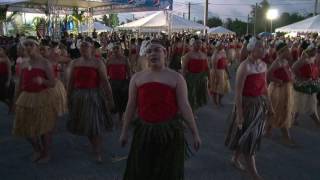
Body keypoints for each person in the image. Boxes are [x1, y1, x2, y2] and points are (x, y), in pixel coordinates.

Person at [120, 42, 201, 180]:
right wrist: (124, 132)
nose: (153, 53)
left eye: (157, 50)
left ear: (165, 53)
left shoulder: (176, 78)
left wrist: (195, 133)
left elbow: (185, 106)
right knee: (143, 170)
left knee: (167, 172)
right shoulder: (137, 78)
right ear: (146, 56)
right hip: (144, 132)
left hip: (169, 133)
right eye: (149, 51)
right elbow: (131, 106)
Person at [225, 37, 273, 180]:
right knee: (250, 137)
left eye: (265, 47)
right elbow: (238, 93)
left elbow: (265, 88)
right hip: (246, 106)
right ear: (251, 49)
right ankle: (254, 174)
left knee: (247, 136)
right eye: (260, 47)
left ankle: (235, 158)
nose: (264, 49)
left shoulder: (264, 65)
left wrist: (270, 106)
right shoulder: (244, 67)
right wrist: (239, 114)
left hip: (259, 105)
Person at [66, 37, 114, 162]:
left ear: (91, 48)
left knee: (95, 125)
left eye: (86, 46)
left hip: (94, 96)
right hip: (79, 96)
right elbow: (71, 82)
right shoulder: (75, 63)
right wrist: (68, 97)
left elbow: (105, 82)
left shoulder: (98, 63)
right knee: (86, 124)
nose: (83, 48)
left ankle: (97, 151)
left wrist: (110, 99)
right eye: (81, 46)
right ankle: (94, 146)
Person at [13, 36, 56, 163]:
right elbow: (20, 84)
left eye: (32, 45)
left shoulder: (45, 63)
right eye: (26, 45)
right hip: (26, 98)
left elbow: (52, 83)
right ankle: (38, 150)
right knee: (25, 128)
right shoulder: (24, 63)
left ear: (37, 47)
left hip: (42, 97)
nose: (28, 47)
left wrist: (42, 80)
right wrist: (16, 101)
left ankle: (46, 154)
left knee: (44, 128)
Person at [266, 41, 295, 145]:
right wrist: (278, 81)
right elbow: (268, 75)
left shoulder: (285, 61)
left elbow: (288, 72)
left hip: (286, 89)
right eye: (288, 49)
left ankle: (267, 129)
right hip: (278, 90)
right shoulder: (277, 62)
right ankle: (286, 137)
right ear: (283, 51)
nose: (290, 51)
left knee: (278, 109)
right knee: (281, 110)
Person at [292, 43, 320, 127]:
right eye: (314, 51)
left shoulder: (312, 58)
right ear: (310, 51)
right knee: (302, 104)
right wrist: (300, 77)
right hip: (303, 85)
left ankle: (294, 119)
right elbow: (293, 68)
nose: (316, 53)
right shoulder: (303, 59)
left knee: (308, 104)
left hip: (310, 84)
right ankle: (317, 122)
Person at [106, 43, 131, 127]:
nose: (116, 52)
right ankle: (110, 118)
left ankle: (121, 117)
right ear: (112, 51)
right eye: (114, 50)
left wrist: (130, 82)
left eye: (118, 50)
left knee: (121, 101)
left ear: (121, 51)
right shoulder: (109, 60)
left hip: (122, 83)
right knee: (112, 100)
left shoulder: (125, 59)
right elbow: (105, 72)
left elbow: (129, 72)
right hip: (112, 82)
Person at [182, 39, 209, 113]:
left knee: (198, 95)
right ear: (193, 45)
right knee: (191, 95)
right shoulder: (188, 55)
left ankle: (195, 109)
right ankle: (191, 111)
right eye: (197, 43)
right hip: (191, 78)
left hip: (202, 78)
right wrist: (183, 80)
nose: (199, 45)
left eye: (200, 43)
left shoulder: (204, 55)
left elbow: (207, 68)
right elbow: (184, 69)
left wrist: (209, 78)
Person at [209, 41, 230, 107]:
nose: (223, 46)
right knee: (215, 88)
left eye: (223, 45)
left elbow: (225, 64)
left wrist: (228, 73)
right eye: (221, 45)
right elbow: (214, 67)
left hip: (223, 72)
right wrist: (216, 77)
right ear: (217, 46)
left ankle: (219, 101)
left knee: (223, 89)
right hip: (216, 72)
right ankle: (215, 102)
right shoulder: (215, 55)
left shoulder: (223, 53)